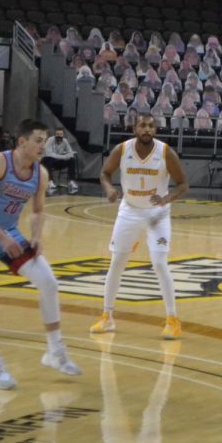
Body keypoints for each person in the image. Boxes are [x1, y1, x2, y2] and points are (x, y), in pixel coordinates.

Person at [0, 119, 81, 389]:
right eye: (39, 140)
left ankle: (54, 351)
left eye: (44, 140)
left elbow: (38, 210)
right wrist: (2, 237)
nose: (43, 145)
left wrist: (37, 237)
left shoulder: (40, 173)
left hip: (10, 234)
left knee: (49, 283)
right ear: (22, 142)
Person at [91, 112, 189, 339]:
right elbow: (105, 173)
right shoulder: (122, 150)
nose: (147, 130)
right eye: (143, 126)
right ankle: (107, 317)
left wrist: (167, 199)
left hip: (157, 213)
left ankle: (173, 319)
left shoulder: (165, 152)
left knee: (159, 262)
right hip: (129, 210)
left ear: (155, 130)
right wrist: (109, 189)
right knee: (117, 261)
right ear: (135, 129)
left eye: (151, 126)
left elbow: (183, 184)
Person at [43, 128, 79, 195]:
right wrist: (63, 157)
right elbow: (49, 154)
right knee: (47, 159)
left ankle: (71, 181)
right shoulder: (50, 140)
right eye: (57, 134)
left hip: (58, 162)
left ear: (63, 135)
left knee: (71, 160)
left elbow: (70, 153)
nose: (59, 136)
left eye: (61, 134)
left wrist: (67, 156)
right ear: (55, 135)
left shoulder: (65, 141)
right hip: (50, 161)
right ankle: (50, 181)